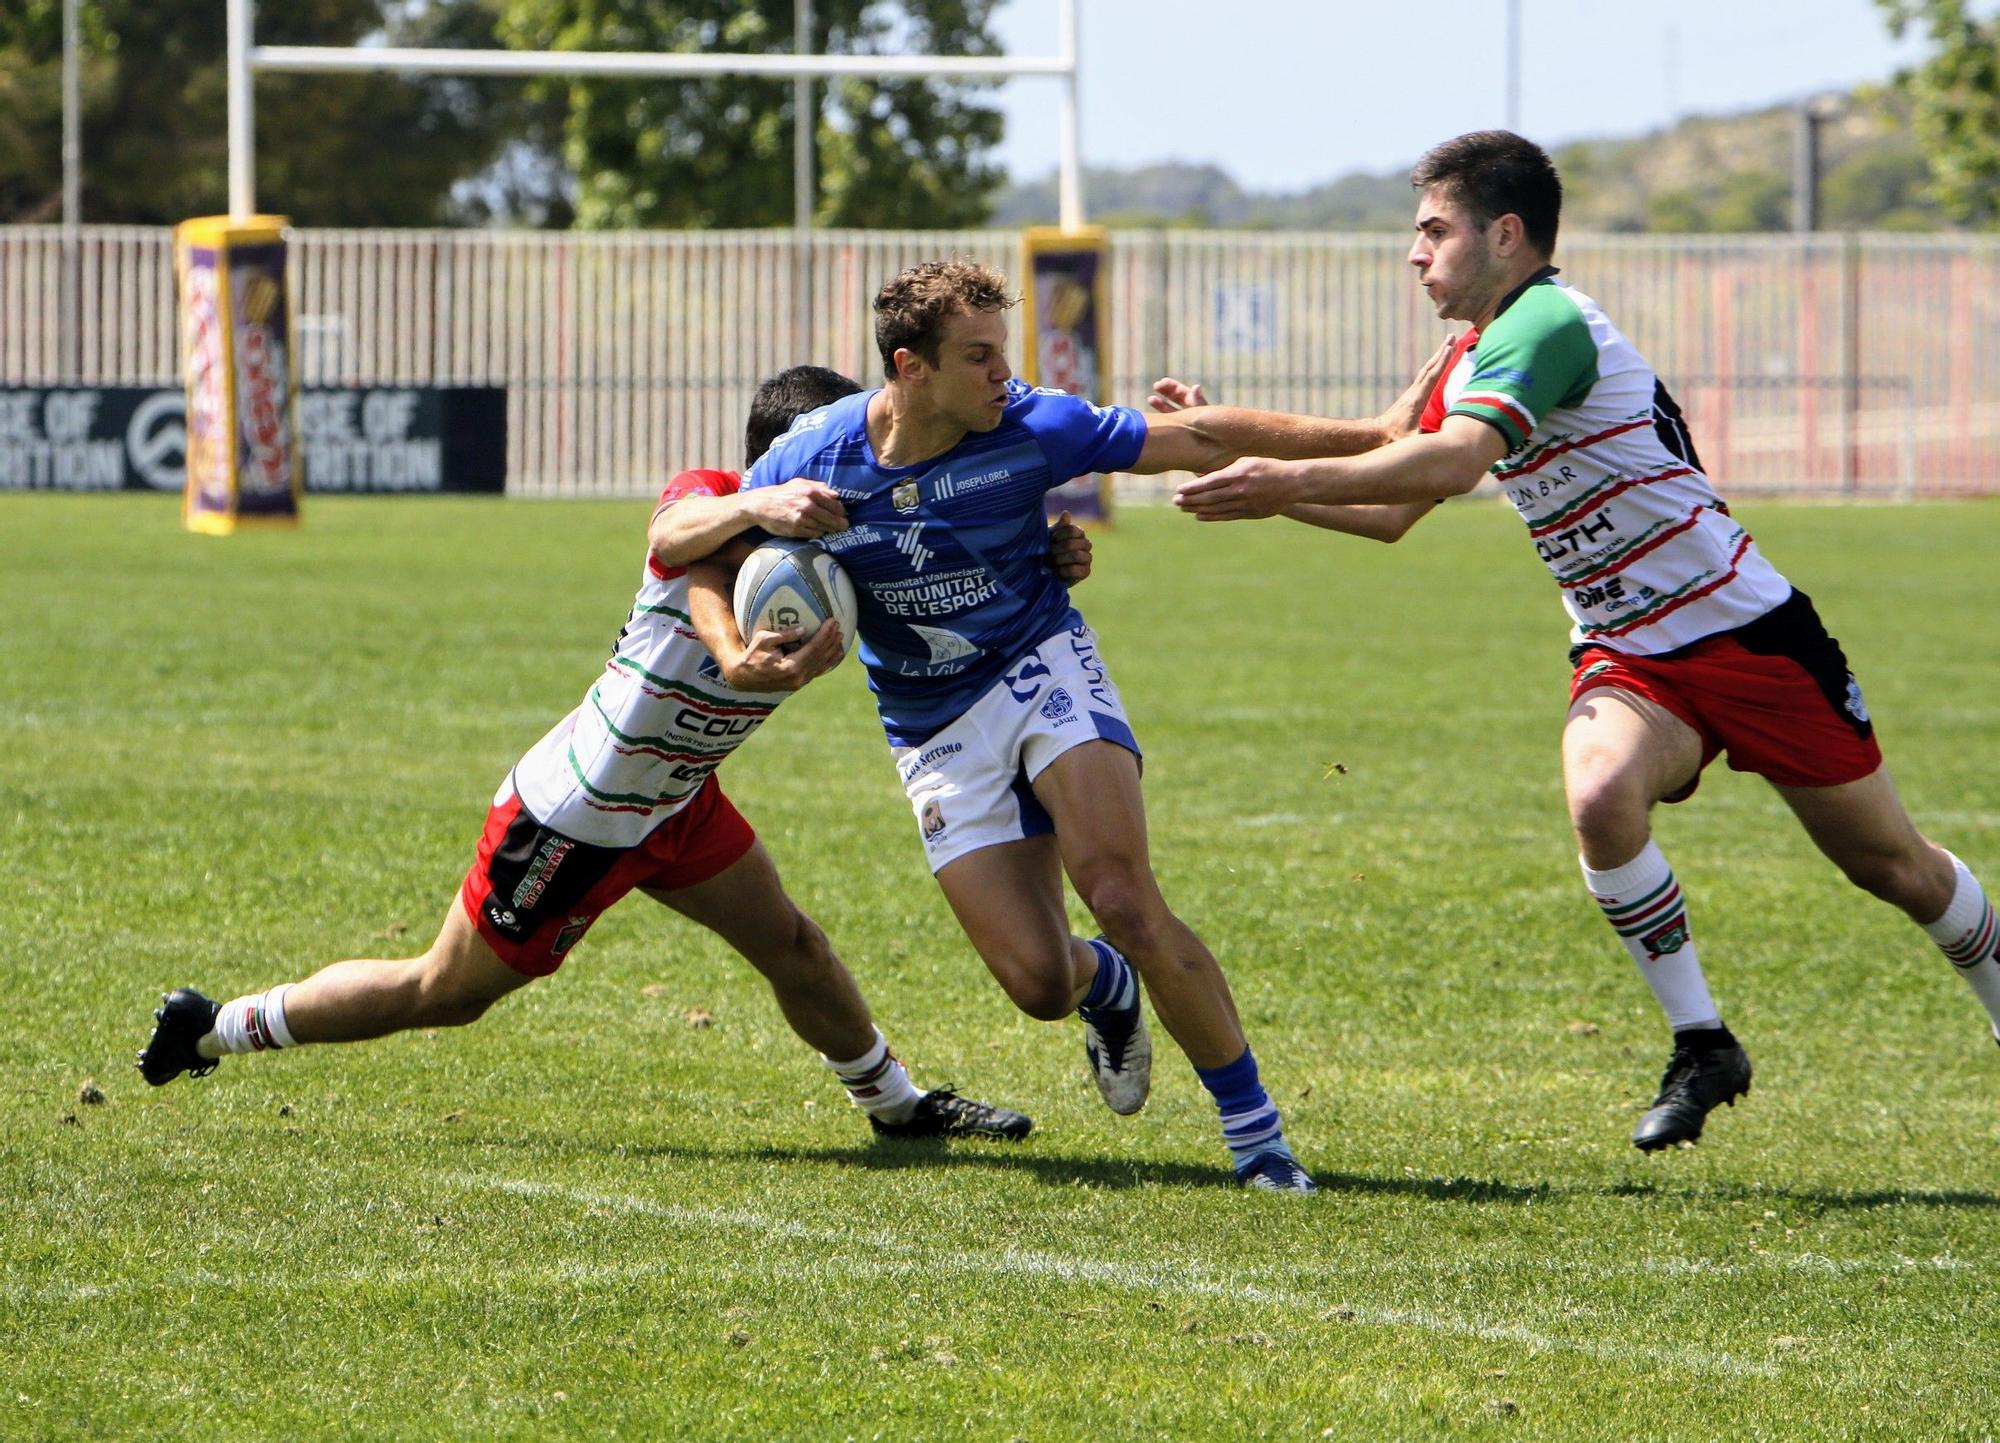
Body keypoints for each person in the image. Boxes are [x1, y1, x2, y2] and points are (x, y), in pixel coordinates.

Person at [1173, 130, 2000, 1151]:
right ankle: (1702, 1041)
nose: (1413, 252)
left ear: (1504, 233)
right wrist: (1240, 452)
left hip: (1746, 637)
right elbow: (1385, 464)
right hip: (1628, 653)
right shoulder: (1481, 346)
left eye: (1432, 229)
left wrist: (1275, 480)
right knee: (1599, 795)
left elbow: (1443, 465)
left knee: (1896, 871)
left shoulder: (1548, 322)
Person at [656, 261, 1445, 1193]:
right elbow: (680, 543)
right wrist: (749, 530)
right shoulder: (815, 456)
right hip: (929, 722)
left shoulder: (1034, 425)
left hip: (1039, 666)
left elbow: (1195, 436)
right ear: (910, 368)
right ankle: (1105, 987)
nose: (1005, 375)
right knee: (1036, 983)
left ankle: (1259, 1140)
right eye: (979, 356)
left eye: (1006, 353)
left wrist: (1378, 433)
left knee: (1119, 892)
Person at [135, 365, 1069, 1146]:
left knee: (793, 944)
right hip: (576, 813)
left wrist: (1047, 555)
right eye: (842, 450)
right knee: (444, 991)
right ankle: (215, 1027)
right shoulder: (710, 501)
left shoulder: (837, 545)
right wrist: (746, 605)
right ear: (792, 461)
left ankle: (897, 1107)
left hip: (676, 799)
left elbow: (947, 580)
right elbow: (674, 543)